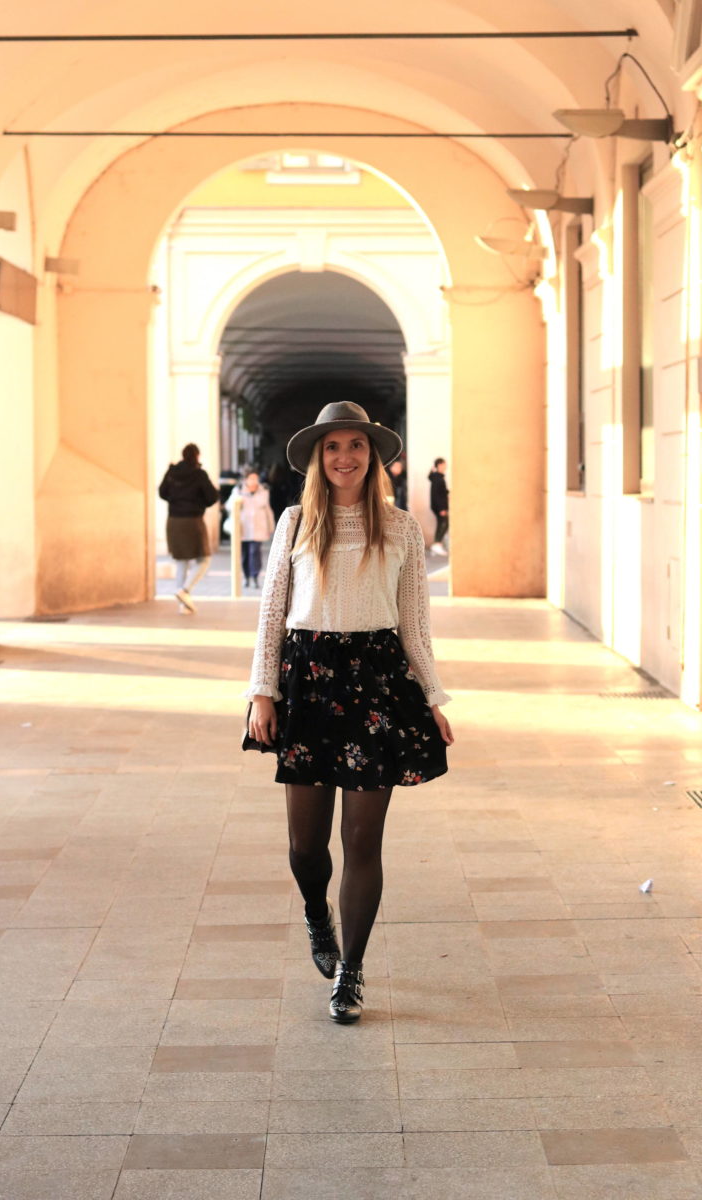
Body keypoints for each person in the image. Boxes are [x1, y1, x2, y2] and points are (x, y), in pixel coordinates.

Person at [246, 401, 453, 1024]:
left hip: (377, 683)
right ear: (318, 457)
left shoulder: (402, 528)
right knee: (306, 848)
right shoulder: (294, 522)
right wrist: (261, 691)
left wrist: (433, 696)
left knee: (363, 839)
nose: (345, 457)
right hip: (307, 680)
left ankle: (351, 971)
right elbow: (272, 613)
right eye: (333, 446)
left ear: (372, 455)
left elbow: (415, 623)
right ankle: (318, 912)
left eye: (356, 445)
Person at [158, 443, 219, 614]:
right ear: (197, 456)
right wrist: (198, 502)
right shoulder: (199, 474)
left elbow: (162, 492)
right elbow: (212, 497)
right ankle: (184, 591)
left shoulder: (172, 472)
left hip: (174, 521)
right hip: (193, 521)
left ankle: (183, 605)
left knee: (181, 562)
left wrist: (176, 500)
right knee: (204, 559)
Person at [226, 468, 276, 587]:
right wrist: (237, 501)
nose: (254, 481)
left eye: (256, 478)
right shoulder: (238, 490)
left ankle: (255, 576)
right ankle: (246, 576)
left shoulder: (264, 491)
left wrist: (271, 526)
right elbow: (229, 506)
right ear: (246, 479)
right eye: (251, 478)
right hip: (243, 527)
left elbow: (268, 509)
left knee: (255, 552)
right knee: (245, 554)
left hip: (259, 527)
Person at [428, 457, 449, 556]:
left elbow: (441, 491)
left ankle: (437, 545)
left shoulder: (437, 477)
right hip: (439, 506)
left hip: (438, 506)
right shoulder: (437, 478)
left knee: (441, 523)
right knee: (445, 523)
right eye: (444, 464)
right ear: (439, 465)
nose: (446, 466)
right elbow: (437, 495)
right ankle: (437, 544)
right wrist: (442, 508)